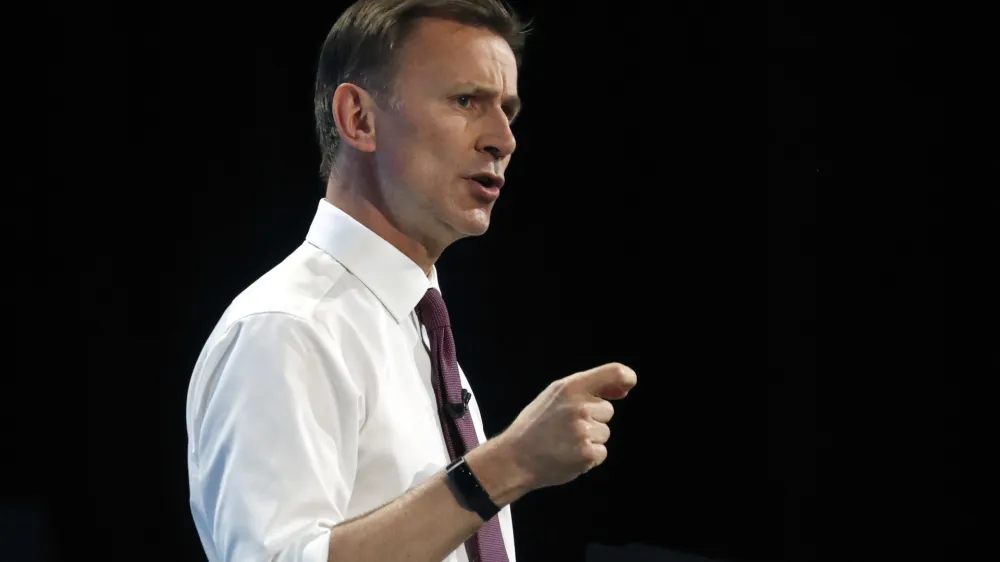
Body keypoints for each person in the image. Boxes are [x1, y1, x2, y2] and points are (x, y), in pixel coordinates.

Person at [184, 1, 638, 561]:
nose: (503, 139)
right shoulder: (287, 330)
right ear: (360, 119)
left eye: (509, 111)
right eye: (466, 101)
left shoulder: (416, 328)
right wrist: (507, 464)